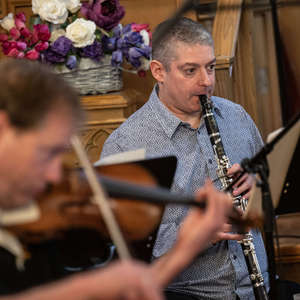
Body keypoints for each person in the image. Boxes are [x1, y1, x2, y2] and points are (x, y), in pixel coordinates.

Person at [0, 58, 235, 300]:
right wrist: (86, 288)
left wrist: (186, 247)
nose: (55, 175)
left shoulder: (29, 224)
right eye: (47, 153)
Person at [100, 17, 269, 299]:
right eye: (190, 71)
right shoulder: (124, 146)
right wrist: (201, 231)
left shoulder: (237, 117)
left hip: (259, 286)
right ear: (158, 71)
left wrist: (260, 190)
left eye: (211, 67)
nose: (207, 82)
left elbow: (272, 204)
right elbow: (120, 252)